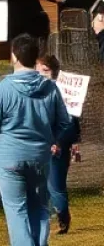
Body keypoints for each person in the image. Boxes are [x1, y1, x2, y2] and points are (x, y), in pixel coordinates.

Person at [0, 34, 71, 246]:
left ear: (14, 57)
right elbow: (64, 121)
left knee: (16, 209)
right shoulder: (50, 87)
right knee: (39, 207)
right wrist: (51, 139)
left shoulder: (3, 89)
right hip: (40, 156)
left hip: (8, 156)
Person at [36, 54, 80, 234]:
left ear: (54, 71)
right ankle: (48, 217)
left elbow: (70, 123)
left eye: (45, 71)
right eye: (38, 71)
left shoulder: (61, 92)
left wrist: (60, 142)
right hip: (41, 144)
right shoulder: (39, 92)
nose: (41, 74)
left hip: (58, 145)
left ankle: (63, 217)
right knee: (42, 185)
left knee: (55, 184)